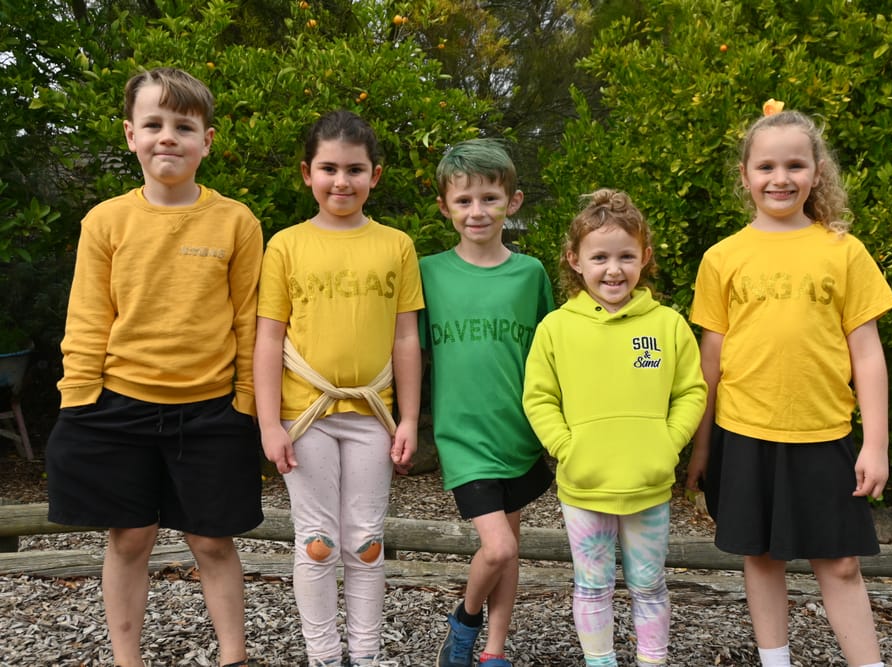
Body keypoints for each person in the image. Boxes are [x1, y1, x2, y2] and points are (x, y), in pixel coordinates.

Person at [45, 67, 264, 667]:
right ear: (130, 135)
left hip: (212, 408)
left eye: (183, 126)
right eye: (154, 124)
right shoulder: (106, 221)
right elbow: (88, 317)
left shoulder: (237, 221)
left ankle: (233, 656)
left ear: (207, 140)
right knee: (130, 536)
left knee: (212, 540)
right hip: (117, 403)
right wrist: (78, 398)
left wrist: (247, 400)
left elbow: (249, 319)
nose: (168, 136)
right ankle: (126, 658)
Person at [685, 103, 892, 667]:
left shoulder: (843, 251)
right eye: (767, 167)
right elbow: (712, 358)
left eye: (795, 166)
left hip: (823, 432)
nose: (781, 179)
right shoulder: (722, 257)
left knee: (842, 563)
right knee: (760, 555)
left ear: (816, 172)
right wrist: (701, 445)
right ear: (745, 175)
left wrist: (875, 443)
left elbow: (868, 352)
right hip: (743, 430)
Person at [254, 110, 423, 667]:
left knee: (367, 542)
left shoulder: (396, 245)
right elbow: (268, 337)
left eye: (355, 169)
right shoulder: (285, 245)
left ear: (376, 175)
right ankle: (324, 655)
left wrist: (409, 419)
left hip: (373, 414)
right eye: (329, 168)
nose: (341, 182)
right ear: (307, 173)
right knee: (317, 540)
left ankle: (367, 655)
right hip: (306, 414)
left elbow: (405, 337)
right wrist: (269, 423)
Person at [522, 189, 707, 667]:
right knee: (592, 586)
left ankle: (653, 660)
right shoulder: (556, 329)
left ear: (644, 258)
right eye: (599, 256)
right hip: (584, 487)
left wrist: (667, 444)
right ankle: (600, 662)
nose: (613, 269)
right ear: (574, 261)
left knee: (649, 584)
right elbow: (540, 398)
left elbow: (691, 391)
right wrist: (568, 447)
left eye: (626, 256)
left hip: (649, 485)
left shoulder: (667, 325)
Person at [419, 138, 555, 667]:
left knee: (511, 547)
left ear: (512, 202)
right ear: (445, 207)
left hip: (518, 433)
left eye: (489, 199)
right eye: (464, 201)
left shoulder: (531, 273)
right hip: (462, 436)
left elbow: (548, 353)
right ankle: (465, 619)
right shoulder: (428, 272)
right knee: (496, 547)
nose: (477, 211)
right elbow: (413, 351)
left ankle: (494, 651)